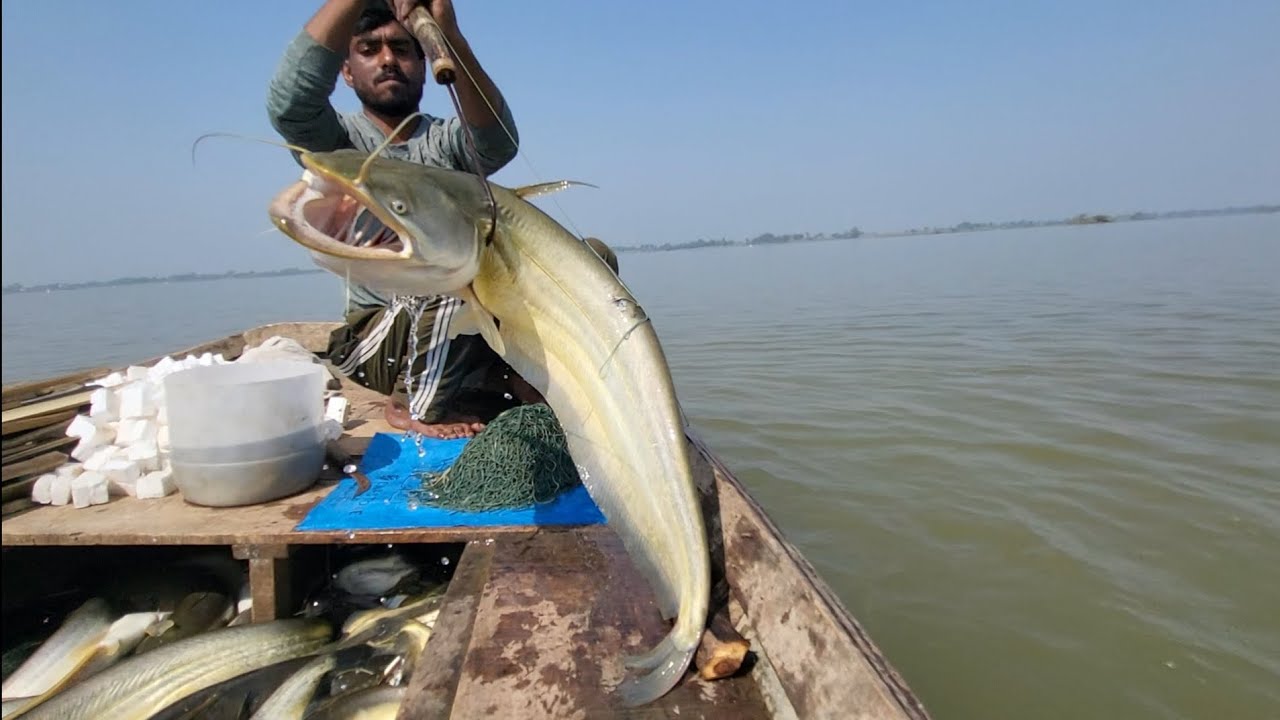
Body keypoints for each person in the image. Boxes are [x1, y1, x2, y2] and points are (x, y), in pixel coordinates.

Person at [266, 0, 526, 440]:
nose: (388, 59)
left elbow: (497, 143)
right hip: (378, 337)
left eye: (402, 49)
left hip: (463, 330)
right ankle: (411, 401)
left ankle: (519, 374)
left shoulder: (446, 142)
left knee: (589, 257)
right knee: (449, 271)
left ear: (424, 64)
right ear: (346, 71)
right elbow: (291, 106)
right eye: (369, 49)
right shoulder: (338, 145)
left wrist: (450, 35)